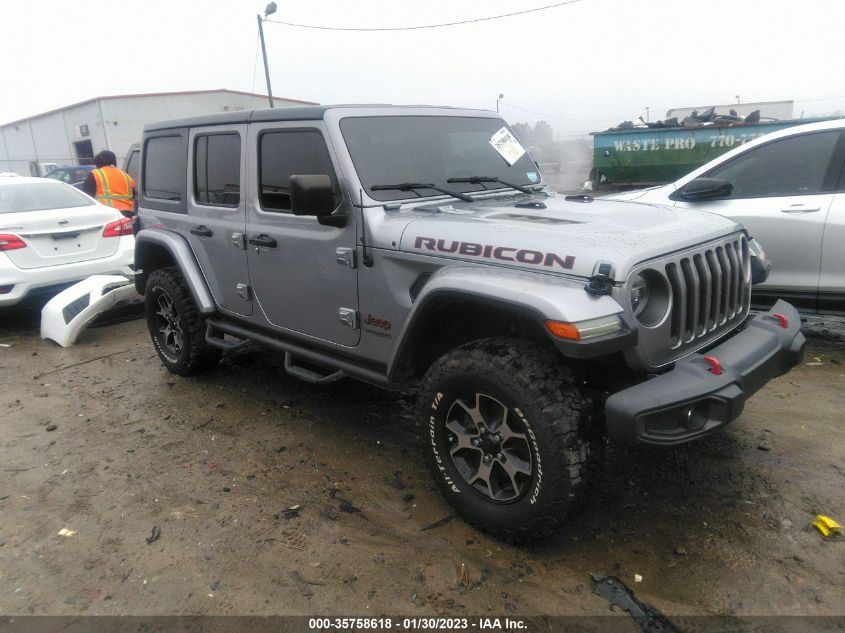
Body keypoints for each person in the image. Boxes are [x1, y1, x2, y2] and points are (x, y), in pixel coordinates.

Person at [82, 150, 136, 217]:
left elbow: (85, 195)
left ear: (99, 162)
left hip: (107, 214)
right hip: (127, 214)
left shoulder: (96, 174)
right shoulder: (126, 175)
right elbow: (133, 195)